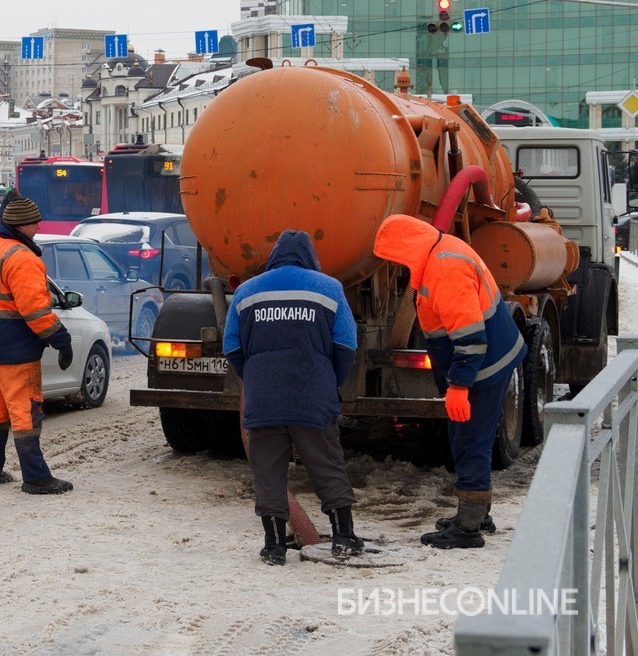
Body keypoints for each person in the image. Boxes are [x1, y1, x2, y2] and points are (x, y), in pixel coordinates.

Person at [373, 214, 527, 549]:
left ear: (406, 248)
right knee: (468, 437)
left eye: (392, 257)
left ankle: (468, 528)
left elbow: (471, 338)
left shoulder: (446, 269)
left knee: (470, 440)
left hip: (483, 366)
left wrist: (459, 386)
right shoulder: (438, 253)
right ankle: (477, 513)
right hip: (483, 362)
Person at [222, 230, 362, 565]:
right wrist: (330, 380)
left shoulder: (245, 292)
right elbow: (346, 345)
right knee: (326, 463)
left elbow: (232, 347)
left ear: (274, 257)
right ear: (310, 257)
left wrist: (256, 377)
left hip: (264, 397)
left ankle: (273, 546)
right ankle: (343, 536)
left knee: (268, 469)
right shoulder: (329, 288)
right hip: (313, 396)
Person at [0, 190, 75, 495]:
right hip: (14, 350)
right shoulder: (23, 259)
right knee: (25, 412)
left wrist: (7, 204)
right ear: (20, 226)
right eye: (34, 223)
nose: (38, 227)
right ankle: (36, 477)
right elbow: (36, 312)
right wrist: (61, 340)